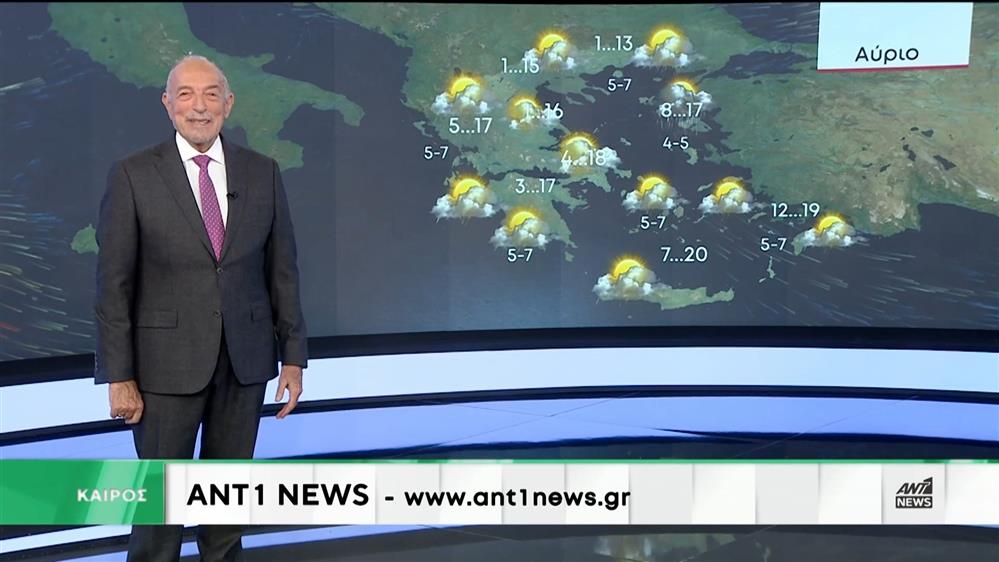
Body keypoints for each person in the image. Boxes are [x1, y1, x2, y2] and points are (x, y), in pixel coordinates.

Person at [94, 54, 308, 562]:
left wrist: (294, 356)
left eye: (211, 94)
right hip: (162, 370)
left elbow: (282, 270)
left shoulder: (262, 171)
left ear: (228, 104)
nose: (199, 106)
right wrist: (119, 376)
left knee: (227, 509)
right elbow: (113, 284)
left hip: (245, 363)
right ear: (167, 104)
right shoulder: (133, 175)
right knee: (160, 514)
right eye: (186, 94)